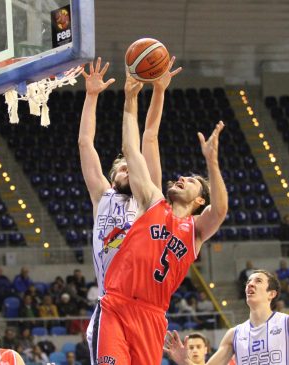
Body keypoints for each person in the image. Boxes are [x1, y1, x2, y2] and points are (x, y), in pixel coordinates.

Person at [94, 74, 228, 365]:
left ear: (199, 200)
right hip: (117, 304)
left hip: (152, 316)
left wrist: (212, 162)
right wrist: (130, 99)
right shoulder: (152, 201)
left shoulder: (195, 231)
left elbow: (219, 211)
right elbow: (135, 146)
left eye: (190, 180)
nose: (180, 178)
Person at [78, 56, 181, 362]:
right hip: (111, 304)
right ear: (112, 177)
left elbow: (150, 137)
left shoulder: (150, 201)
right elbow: (86, 143)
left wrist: (159, 92)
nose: (127, 169)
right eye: (121, 168)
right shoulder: (102, 196)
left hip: (142, 307)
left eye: (129, 166)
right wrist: (91, 96)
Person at [164, 270, 289, 365]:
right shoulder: (234, 334)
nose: (250, 284)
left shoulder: (288, 323)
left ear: (271, 294)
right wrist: (185, 362)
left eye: (258, 281)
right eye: (248, 282)